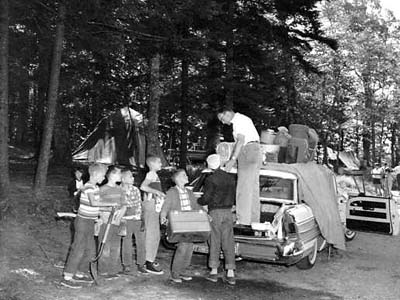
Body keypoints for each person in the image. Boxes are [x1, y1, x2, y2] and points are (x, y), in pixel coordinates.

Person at [62, 163, 115, 289]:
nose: (104, 178)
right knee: (78, 248)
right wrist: (110, 203)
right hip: (82, 222)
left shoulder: (95, 187)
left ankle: (79, 272)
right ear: (95, 174)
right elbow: (93, 202)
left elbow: (95, 205)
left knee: (90, 249)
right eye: (103, 175)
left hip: (90, 222)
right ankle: (67, 276)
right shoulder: (88, 187)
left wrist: (103, 213)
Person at [217, 108, 261, 225]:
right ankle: (254, 221)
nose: (222, 122)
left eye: (222, 118)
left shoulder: (238, 121)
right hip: (256, 150)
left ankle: (243, 222)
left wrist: (232, 159)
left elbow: (241, 141)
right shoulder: (245, 119)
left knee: (243, 189)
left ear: (227, 114)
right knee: (253, 189)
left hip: (247, 151)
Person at [198, 154, 237, 285]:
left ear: (209, 166)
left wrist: (198, 200)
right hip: (228, 212)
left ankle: (214, 271)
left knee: (214, 240)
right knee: (228, 242)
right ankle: (230, 273)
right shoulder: (230, 178)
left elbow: (206, 198)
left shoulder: (210, 179)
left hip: (215, 212)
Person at [160, 169, 202, 283]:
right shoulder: (172, 192)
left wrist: (205, 214)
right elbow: (166, 206)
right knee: (183, 247)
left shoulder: (189, 192)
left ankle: (183, 271)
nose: (187, 176)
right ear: (177, 179)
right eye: (184, 175)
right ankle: (175, 273)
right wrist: (163, 216)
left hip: (190, 222)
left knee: (189, 247)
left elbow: (196, 206)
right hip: (179, 222)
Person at [98, 166, 127, 279]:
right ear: (112, 175)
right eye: (119, 174)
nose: (121, 176)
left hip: (117, 222)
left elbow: (124, 204)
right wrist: (104, 216)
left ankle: (112, 269)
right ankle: (103, 270)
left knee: (116, 246)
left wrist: (119, 216)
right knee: (105, 246)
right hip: (106, 222)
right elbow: (98, 206)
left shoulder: (120, 189)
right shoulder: (102, 189)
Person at [140, 156, 165, 275]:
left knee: (154, 233)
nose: (161, 163)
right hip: (151, 205)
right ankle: (148, 261)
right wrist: (157, 192)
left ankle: (149, 259)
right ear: (153, 164)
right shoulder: (151, 174)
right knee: (152, 234)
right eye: (159, 162)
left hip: (153, 205)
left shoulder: (154, 174)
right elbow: (143, 186)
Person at [120, 169, 147, 274]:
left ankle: (141, 263)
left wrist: (142, 219)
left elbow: (138, 205)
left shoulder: (135, 190)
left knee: (141, 242)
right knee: (126, 243)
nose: (133, 178)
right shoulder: (119, 190)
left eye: (133, 176)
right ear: (122, 179)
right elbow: (123, 206)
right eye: (130, 176)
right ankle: (126, 264)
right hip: (125, 221)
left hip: (136, 219)